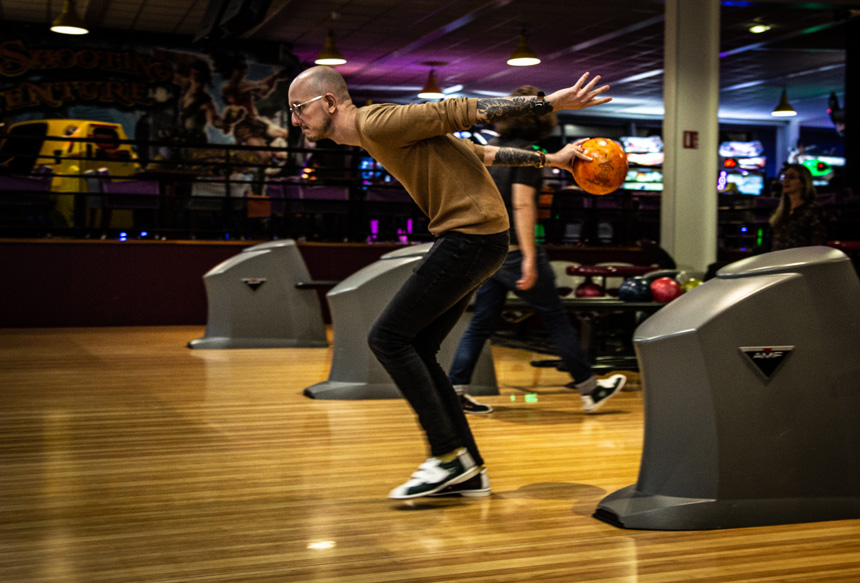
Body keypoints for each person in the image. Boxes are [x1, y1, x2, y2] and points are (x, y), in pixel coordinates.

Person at [288, 66, 612, 500]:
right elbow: (476, 153)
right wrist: (548, 160)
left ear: (328, 103)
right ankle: (467, 467)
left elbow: (458, 111)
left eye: (298, 108)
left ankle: (447, 456)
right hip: (481, 239)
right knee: (416, 345)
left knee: (388, 338)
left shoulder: (375, 121)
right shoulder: (372, 136)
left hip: (470, 237)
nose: (295, 120)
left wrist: (547, 103)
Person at [447, 86, 625, 417]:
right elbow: (522, 203)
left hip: (489, 250)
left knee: (482, 323)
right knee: (556, 318)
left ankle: (454, 391)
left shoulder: (494, 151)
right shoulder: (530, 154)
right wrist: (529, 256)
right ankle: (590, 388)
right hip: (515, 251)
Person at [769, 163, 829, 251]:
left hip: (802, 261)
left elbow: (818, 245)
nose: (786, 181)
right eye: (784, 177)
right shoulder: (780, 212)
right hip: (778, 261)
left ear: (803, 183)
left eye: (791, 177)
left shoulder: (814, 210)